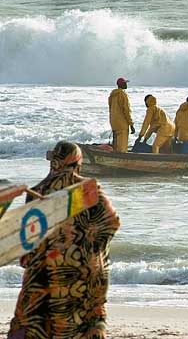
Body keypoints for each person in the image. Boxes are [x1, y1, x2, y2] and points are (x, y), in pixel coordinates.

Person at [7, 141, 120, 339]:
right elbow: (112, 222)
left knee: (37, 321)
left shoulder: (37, 192)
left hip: (43, 272)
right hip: (82, 271)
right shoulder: (88, 190)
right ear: (77, 162)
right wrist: (86, 243)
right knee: (82, 323)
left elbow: (28, 238)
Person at [108, 77, 135, 152]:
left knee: (115, 144)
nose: (126, 84)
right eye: (125, 83)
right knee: (122, 146)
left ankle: (113, 158)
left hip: (113, 122)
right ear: (122, 84)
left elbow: (110, 108)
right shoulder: (123, 94)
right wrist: (131, 124)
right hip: (122, 124)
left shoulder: (112, 95)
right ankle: (121, 161)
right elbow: (126, 110)